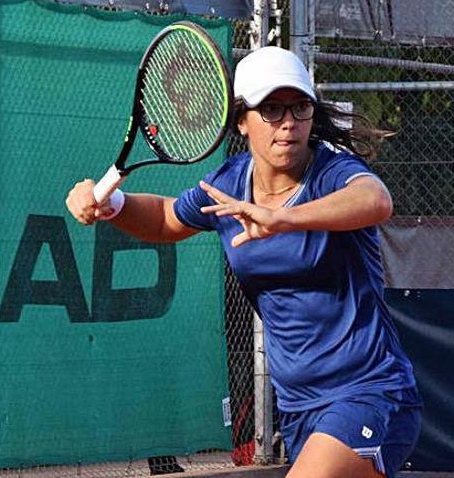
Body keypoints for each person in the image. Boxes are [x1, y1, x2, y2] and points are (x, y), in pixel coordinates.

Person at [66, 46, 421, 478]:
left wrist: (283, 218)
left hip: (370, 392)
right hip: (299, 407)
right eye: (270, 109)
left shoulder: (333, 171)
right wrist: (112, 204)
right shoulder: (229, 184)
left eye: (299, 107)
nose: (288, 122)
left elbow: (376, 199)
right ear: (241, 121)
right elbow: (166, 217)